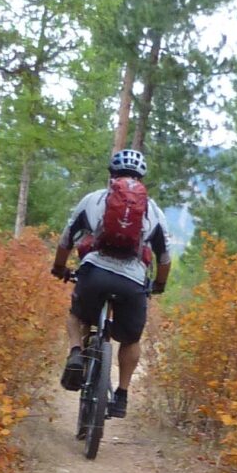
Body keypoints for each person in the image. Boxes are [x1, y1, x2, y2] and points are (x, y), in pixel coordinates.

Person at [51, 147, 170, 419]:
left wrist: (59, 268)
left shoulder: (94, 200)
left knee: (77, 316)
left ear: (111, 176)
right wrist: (159, 285)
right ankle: (121, 395)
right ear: (141, 179)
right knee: (131, 340)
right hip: (133, 282)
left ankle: (76, 353)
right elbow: (164, 259)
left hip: (95, 274)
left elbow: (66, 239)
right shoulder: (154, 211)